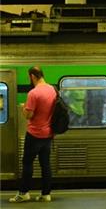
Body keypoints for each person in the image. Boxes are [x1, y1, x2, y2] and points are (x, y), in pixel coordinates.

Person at [10, 66, 57, 203]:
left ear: (32, 76)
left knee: (27, 164)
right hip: (48, 135)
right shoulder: (53, 90)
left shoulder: (34, 93)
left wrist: (24, 107)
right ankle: (46, 194)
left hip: (34, 134)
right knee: (45, 165)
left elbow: (28, 115)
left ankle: (24, 193)